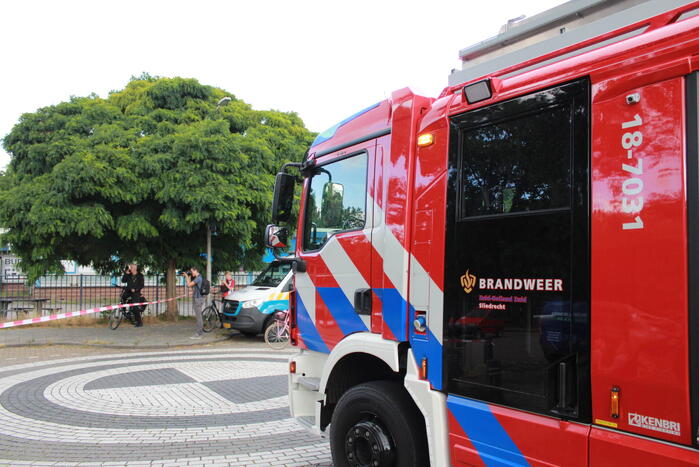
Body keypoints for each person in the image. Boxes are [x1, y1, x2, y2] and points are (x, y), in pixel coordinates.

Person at [182, 266, 204, 339]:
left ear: (196, 271)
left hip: (198, 299)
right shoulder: (198, 278)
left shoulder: (198, 278)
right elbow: (191, 286)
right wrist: (187, 277)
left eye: (192, 271)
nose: (191, 273)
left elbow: (189, 285)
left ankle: (199, 334)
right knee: (198, 316)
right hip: (197, 298)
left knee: (199, 317)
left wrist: (186, 276)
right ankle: (199, 332)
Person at [121, 263, 144, 327]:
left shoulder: (140, 275)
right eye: (130, 267)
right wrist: (126, 274)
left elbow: (142, 285)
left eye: (132, 267)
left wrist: (136, 289)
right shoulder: (129, 275)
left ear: (135, 268)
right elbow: (123, 281)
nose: (130, 269)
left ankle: (139, 322)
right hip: (128, 291)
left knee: (135, 306)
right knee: (122, 297)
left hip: (136, 292)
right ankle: (125, 311)